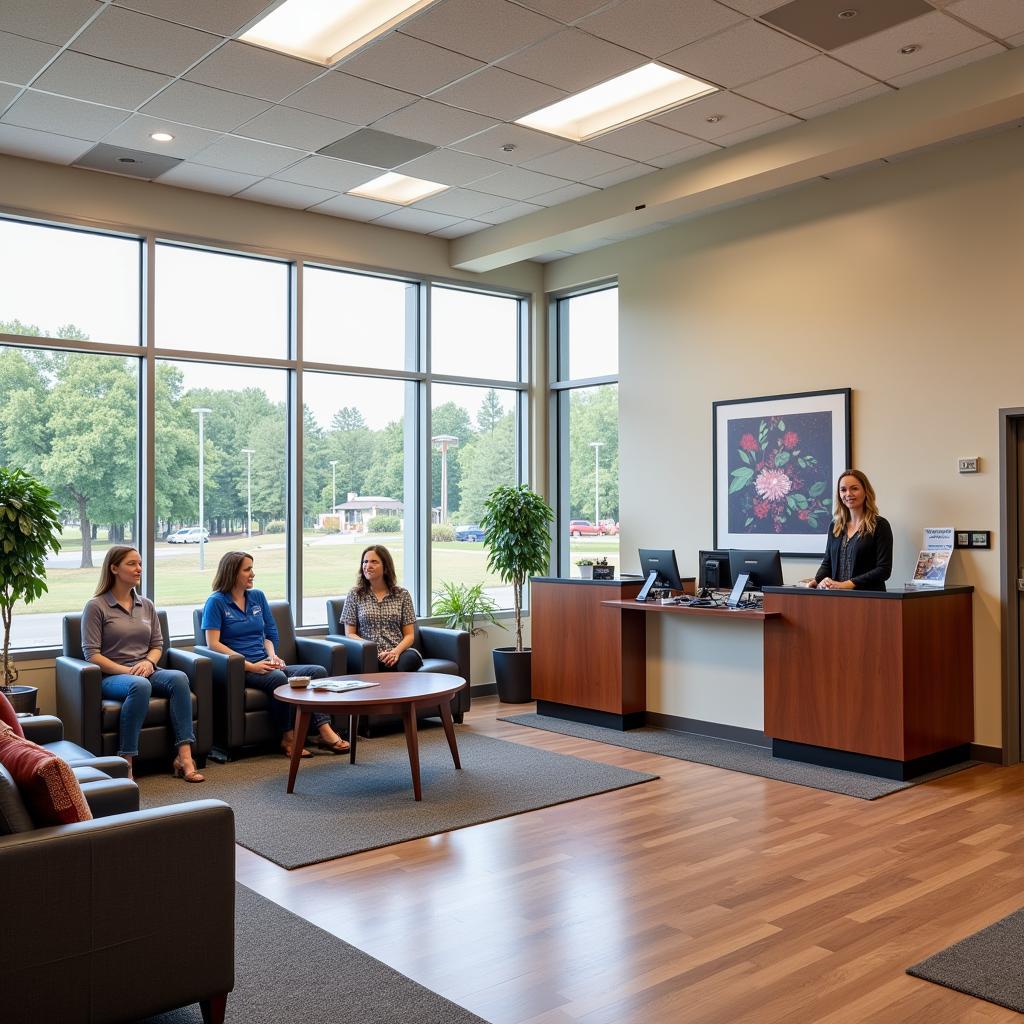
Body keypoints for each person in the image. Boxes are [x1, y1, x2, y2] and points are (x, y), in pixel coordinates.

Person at [202, 551, 349, 757]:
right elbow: (213, 644)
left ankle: (323, 730)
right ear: (232, 572)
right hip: (240, 669)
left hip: (265, 662)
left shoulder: (257, 597)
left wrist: (272, 656)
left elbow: (269, 634)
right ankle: (288, 738)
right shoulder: (216, 602)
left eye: (252, 568)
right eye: (247, 569)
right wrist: (251, 666)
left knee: (317, 672)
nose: (252, 573)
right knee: (277, 678)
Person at [82, 546, 204, 782]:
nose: (139, 568)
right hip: (113, 676)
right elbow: (92, 655)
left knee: (179, 678)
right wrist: (129, 671)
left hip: (147, 669)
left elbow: (158, 644)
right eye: (132, 564)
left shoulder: (146, 605)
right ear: (114, 568)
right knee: (140, 686)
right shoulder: (96, 606)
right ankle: (126, 763)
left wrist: (149, 662)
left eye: (140, 563)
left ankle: (184, 757)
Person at [808, 469, 893, 591]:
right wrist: (816, 581)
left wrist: (848, 584)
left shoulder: (880, 525)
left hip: (870, 599)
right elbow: (827, 563)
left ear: (866, 491)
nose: (848, 494)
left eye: (854, 488)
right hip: (838, 599)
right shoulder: (835, 526)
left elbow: (883, 570)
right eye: (843, 490)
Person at [342, 545, 423, 672]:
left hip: (399, 652)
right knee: (373, 664)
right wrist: (370, 648)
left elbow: (409, 636)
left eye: (374, 562)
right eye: (365, 561)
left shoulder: (402, 594)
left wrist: (394, 652)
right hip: (368, 654)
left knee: (409, 660)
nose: (368, 566)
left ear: (385, 567)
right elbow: (350, 633)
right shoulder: (355, 594)